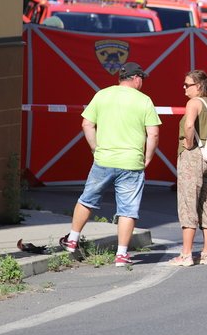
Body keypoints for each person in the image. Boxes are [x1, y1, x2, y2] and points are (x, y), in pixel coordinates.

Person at [60, 61, 161, 267]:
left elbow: (86, 123)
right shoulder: (144, 101)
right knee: (127, 209)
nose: (142, 82)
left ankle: (72, 241)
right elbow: (153, 133)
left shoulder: (102, 95)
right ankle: (122, 255)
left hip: (104, 159)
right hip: (131, 162)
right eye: (141, 78)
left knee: (87, 199)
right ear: (136, 79)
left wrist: (95, 148)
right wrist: (148, 156)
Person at [168, 69, 207, 266]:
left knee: (188, 203)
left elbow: (189, 125)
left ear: (198, 86)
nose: (184, 88)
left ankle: (186, 254)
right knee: (205, 202)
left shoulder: (193, 103)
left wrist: (188, 144)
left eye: (187, 85)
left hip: (193, 156)